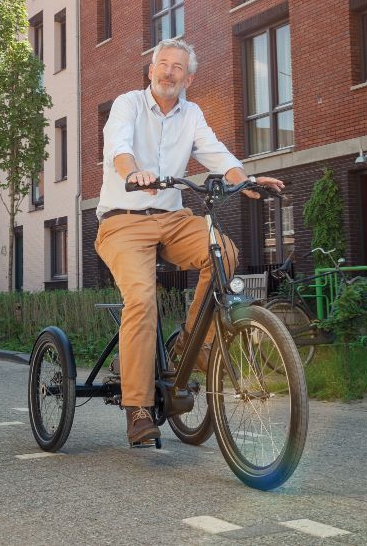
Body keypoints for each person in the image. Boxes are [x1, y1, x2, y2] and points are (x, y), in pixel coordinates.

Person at [95, 38, 284, 446]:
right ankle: (139, 407)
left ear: (188, 78)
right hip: (123, 222)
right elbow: (118, 147)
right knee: (142, 300)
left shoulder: (192, 113)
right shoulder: (127, 104)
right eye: (162, 64)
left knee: (225, 253)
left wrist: (244, 180)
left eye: (177, 67)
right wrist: (134, 173)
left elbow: (215, 152)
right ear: (150, 70)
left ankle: (190, 343)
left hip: (173, 219)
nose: (168, 72)